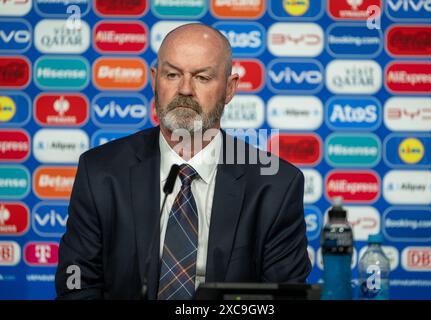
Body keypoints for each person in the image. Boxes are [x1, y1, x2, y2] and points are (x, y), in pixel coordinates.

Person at [55, 23, 311, 300]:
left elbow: (283, 298)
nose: (185, 89)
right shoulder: (101, 173)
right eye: (172, 74)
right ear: (155, 79)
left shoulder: (275, 185)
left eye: (202, 77)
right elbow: (76, 285)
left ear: (229, 88)